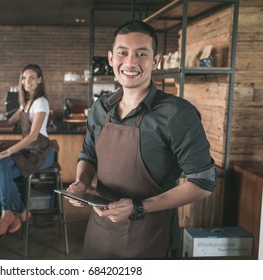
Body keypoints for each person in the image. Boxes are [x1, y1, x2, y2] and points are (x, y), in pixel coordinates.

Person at [66, 20, 216, 259]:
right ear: (111, 58)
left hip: (148, 237)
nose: (130, 62)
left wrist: (138, 207)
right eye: (123, 53)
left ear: (155, 61)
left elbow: (203, 183)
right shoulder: (100, 108)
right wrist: (81, 183)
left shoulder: (178, 114)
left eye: (141, 54)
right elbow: (88, 154)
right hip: (100, 231)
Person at [0, 64, 54, 237]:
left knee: (3, 165)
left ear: (39, 80)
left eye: (32, 78)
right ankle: (12, 211)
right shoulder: (25, 103)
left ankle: (13, 212)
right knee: (2, 166)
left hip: (41, 153)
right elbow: (8, 122)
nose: (27, 81)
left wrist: (7, 151)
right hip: (29, 151)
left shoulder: (41, 102)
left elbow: (33, 135)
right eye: (24, 78)